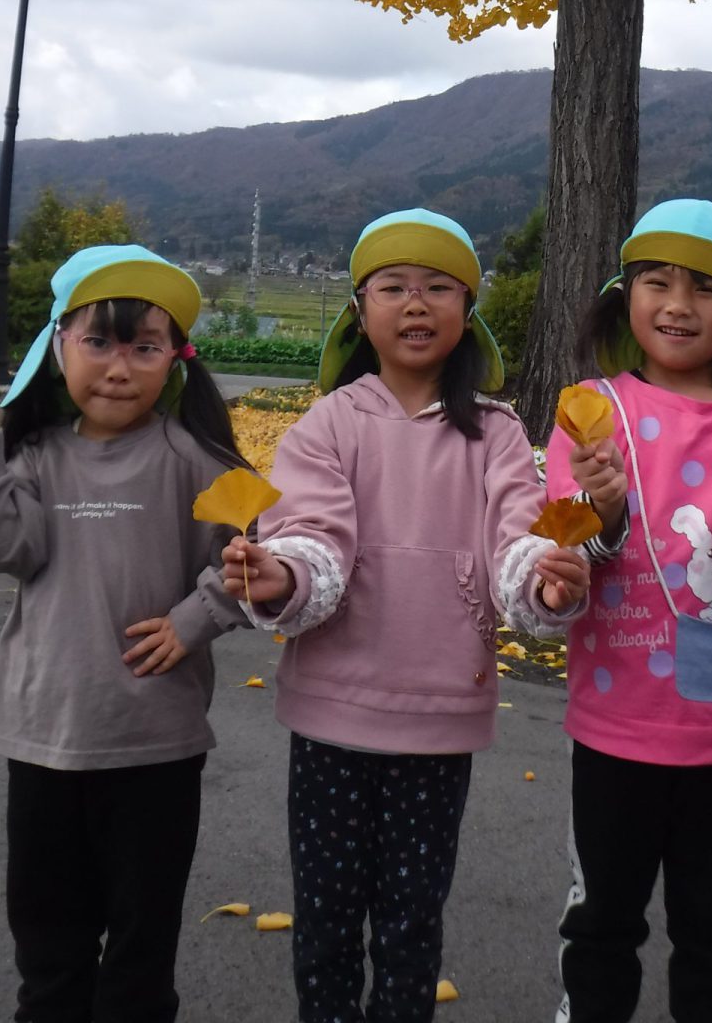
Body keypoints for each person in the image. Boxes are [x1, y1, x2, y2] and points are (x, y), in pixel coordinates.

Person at [221, 207, 591, 1023]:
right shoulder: (328, 424)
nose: (415, 303)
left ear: (468, 311)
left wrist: (545, 584)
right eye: (392, 287)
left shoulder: (496, 432)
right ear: (360, 312)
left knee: (411, 924)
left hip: (439, 718)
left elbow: (517, 539)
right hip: (332, 715)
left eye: (437, 288)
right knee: (325, 923)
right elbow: (310, 536)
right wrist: (280, 576)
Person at [0, 244, 250, 1023]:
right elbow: (1, 549)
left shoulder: (195, 459)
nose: (119, 366)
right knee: (49, 946)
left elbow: (256, 562)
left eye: (144, 346)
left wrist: (195, 619)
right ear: (59, 348)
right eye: (99, 341)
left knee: (141, 951)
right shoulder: (37, 457)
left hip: (157, 746)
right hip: (45, 736)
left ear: (173, 359)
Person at [544, 198, 712, 1023]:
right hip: (614, 724)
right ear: (624, 294)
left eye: (706, 288)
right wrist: (603, 509)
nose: (679, 304)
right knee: (601, 923)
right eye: (656, 281)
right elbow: (566, 553)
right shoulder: (590, 411)